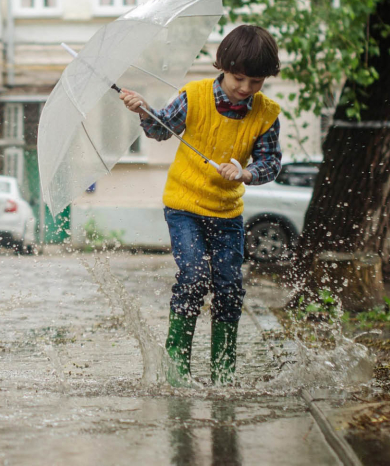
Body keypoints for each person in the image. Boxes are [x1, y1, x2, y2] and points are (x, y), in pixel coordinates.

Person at [120, 25, 282, 386]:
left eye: (256, 81)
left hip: (227, 212)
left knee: (229, 287)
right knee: (193, 278)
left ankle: (223, 374)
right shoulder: (193, 96)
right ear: (223, 67)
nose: (245, 88)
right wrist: (144, 110)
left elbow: (270, 163)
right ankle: (177, 370)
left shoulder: (266, 114)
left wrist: (246, 173)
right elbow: (160, 129)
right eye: (239, 78)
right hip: (184, 206)